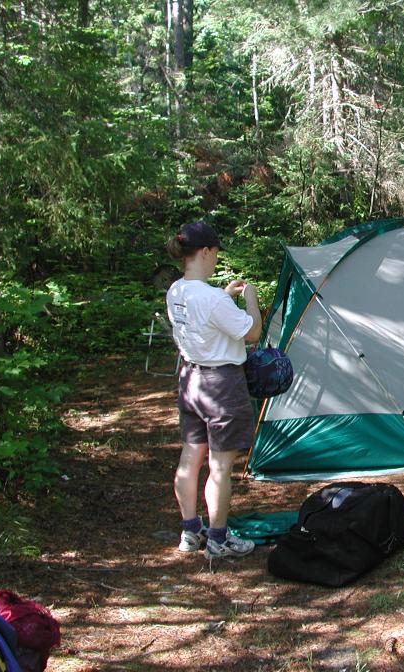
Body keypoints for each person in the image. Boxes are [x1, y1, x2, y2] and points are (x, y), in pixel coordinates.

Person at [165, 220, 262, 559]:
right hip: (221, 384)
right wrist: (250, 298)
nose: (216, 259)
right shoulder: (211, 299)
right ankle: (219, 539)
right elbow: (251, 334)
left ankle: (191, 532)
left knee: (190, 459)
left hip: (190, 380)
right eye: (215, 253)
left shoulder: (176, 291)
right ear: (205, 251)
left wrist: (224, 295)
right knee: (220, 466)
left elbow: (202, 314)